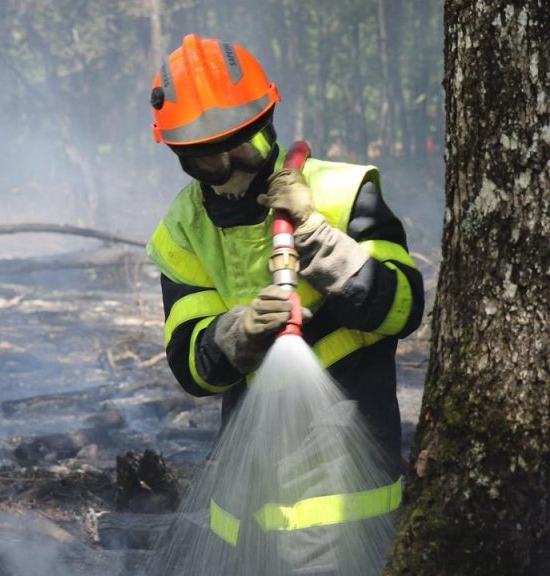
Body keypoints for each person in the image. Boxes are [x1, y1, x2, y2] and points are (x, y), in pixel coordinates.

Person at [144, 34, 424, 570]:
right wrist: (236, 334)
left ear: (266, 123)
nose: (232, 169)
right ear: (179, 156)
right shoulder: (182, 231)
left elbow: (403, 309)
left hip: (344, 509)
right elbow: (189, 367)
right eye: (207, 162)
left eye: (241, 148)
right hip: (244, 512)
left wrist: (316, 234)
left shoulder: (343, 192)